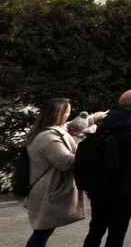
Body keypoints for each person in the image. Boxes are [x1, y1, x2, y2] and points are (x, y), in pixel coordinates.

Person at [23, 99, 105, 247]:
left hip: (47, 187)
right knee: (42, 232)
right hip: (48, 190)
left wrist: (94, 117)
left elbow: (72, 125)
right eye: (67, 111)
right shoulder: (48, 137)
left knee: (44, 231)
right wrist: (85, 141)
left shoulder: (52, 130)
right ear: (57, 114)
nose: (69, 114)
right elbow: (66, 162)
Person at [82, 90, 131, 247]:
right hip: (126, 186)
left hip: (99, 184)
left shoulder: (101, 125)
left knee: (96, 226)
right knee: (118, 230)